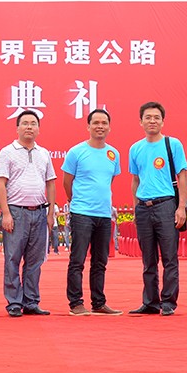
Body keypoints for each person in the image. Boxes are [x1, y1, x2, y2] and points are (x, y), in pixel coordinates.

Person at [128, 101, 187, 316]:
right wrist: (135, 207)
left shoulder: (173, 144)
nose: (152, 121)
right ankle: (150, 302)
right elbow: (135, 180)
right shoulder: (135, 148)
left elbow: (182, 176)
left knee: (169, 257)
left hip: (166, 205)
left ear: (163, 121)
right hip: (143, 207)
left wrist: (181, 207)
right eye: (148, 117)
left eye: (156, 117)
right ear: (141, 121)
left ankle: (168, 302)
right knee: (148, 258)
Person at [0, 110, 57, 317]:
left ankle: (31, 301)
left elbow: (50, 183)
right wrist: (6, 213)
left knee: (35, 261)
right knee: (12, 258)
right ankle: (14, 302)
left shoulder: (44, 153)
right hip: (16, 212)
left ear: (38, 128)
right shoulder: (7, 152)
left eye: (33, 123)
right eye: (25, 123)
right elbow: (1, 183)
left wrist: (50, 213)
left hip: (39, 212)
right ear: (17, 128)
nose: (29, 127)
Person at [63, 109, 122, 315]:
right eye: (96, 122)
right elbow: (67, 182)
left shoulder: (113, 154)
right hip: (82, 213)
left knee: (100, 261)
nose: (100, 126)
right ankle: (76, 303)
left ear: (109, 127)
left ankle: (98, 302)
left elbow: (108, 181)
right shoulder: (76, 152)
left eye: (104, 123)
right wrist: (76, 201)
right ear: (88, 126)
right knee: (77, 259)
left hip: (104, 215)